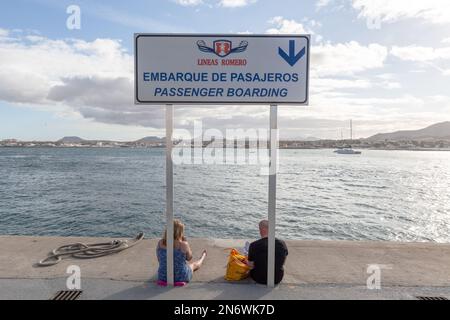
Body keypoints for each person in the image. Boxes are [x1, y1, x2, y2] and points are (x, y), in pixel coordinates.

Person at [246, 220, 288, 285]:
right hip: (277, 278)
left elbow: (250, 265)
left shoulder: (254, 245)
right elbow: (283, 262)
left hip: (258, 278)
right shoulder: (282, 244)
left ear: (261, 230)